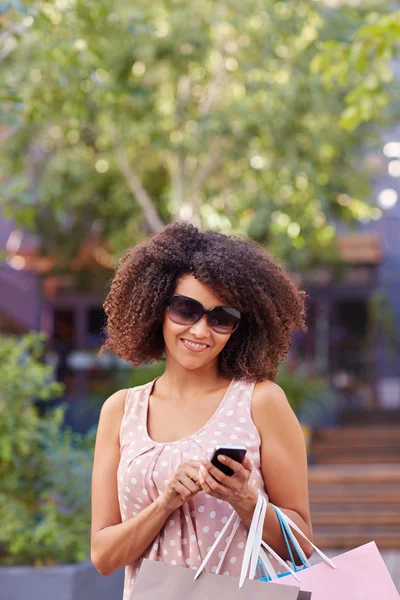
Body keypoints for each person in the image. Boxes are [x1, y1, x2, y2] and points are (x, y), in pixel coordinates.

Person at [91, 221, 313, 599]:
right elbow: (104, 556)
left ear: (238, 328)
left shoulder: (261, 401)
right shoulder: (121, 410)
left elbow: (301, 546)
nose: (200, 331)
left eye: (220, 317)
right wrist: (164, 504)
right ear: (156, 308)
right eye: (186, 309)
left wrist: (244, 499)